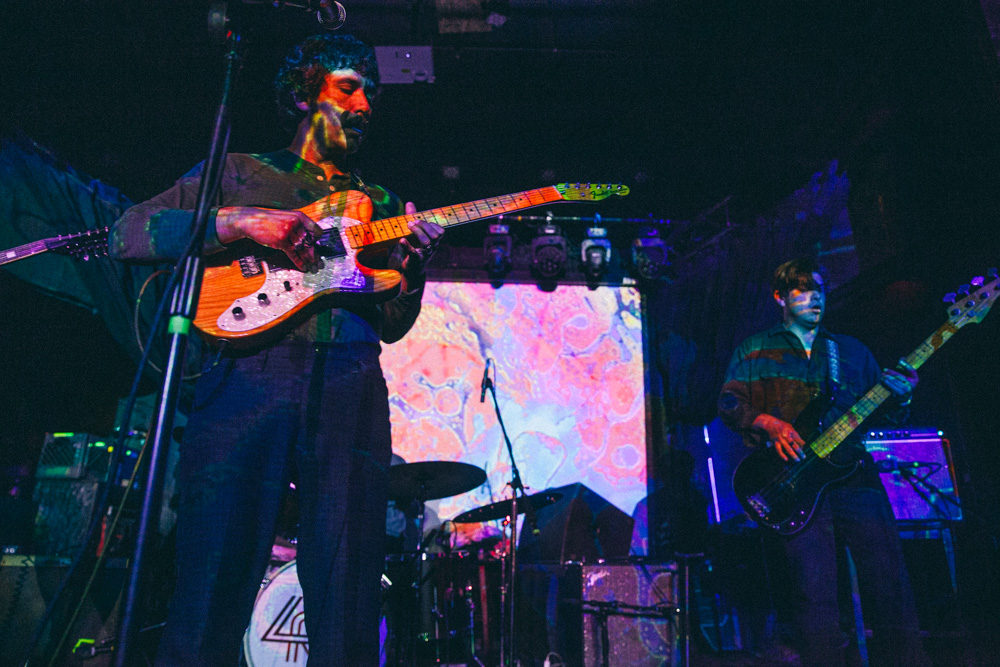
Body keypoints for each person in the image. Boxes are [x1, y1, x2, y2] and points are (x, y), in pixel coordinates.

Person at [110, 34, 444, 666]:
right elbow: (127, 232)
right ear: (302, 96)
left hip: (350, 381)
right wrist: (241, 220)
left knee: (349, 588)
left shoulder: (381, 203)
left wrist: (413, 271)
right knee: (213, 577)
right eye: (348, 87)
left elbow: (392, 324)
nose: (364, 104)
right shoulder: (239, 171)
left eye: (370, 93)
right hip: (246, 376)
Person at [717, 258, 928, 666]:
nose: (815, 298)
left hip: (855, 477)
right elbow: (729, 403)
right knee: (814, 594)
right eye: (802, 289)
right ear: (780, 297)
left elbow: (884, 415)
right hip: (796, 484)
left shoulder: (851, 351)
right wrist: (769, 423)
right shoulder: (755, 349)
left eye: (820, 290)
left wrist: (902, 397)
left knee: (890, 583)